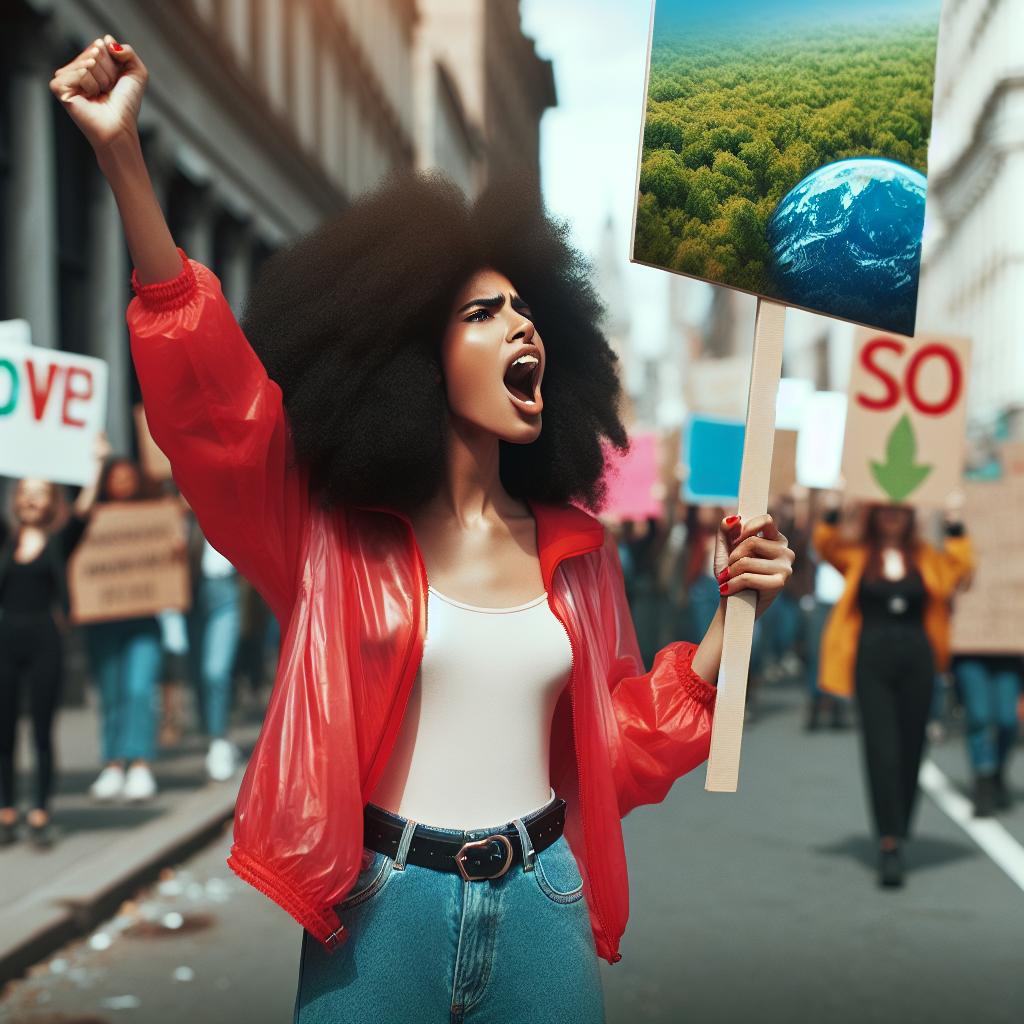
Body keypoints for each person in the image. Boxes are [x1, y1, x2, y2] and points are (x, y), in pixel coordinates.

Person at [51, 36, 795, 1021]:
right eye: (483, 313)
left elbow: (609, 750)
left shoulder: (577, 549)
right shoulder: (330, 537)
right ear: (413, 357)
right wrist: (122, 157)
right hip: (378, 915)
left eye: (528, 310)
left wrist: (722, 624)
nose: (523, 328)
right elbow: (213, 403)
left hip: (544, 903)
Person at [814, 493, 973, 888]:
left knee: (912, 747)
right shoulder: (857, 555)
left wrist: (954, 523)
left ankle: (900, 825)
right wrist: (833, 507)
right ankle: (889, 843)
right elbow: (825, 544)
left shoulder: (926, 557)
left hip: (918, 660)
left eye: (900, 511)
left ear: (910, 516)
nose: (892, 518)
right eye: (885, 510)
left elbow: (961, 569)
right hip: (872, 661)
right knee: (881, 750)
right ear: (874, 514)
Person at [0, 434, 110, 847]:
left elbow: (83, 511)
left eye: (39, 493)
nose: (30, 500)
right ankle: (7, 807)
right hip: (5, 639)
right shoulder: (6, 543)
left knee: (43, 731)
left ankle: (41, 809)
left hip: (44, 638)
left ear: (50, 501)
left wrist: (97, 463)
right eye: (25, 493)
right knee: (4, 732)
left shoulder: (58, 542)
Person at [82, 458, 164, 803]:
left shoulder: (156, 517)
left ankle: (140, 763)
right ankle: (114, 763)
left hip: (144, 619)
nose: (122, 484)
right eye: (115, 478)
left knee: (139, 689)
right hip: (103, 620)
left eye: (128, 477)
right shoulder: (89, 520)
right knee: (112, 692)